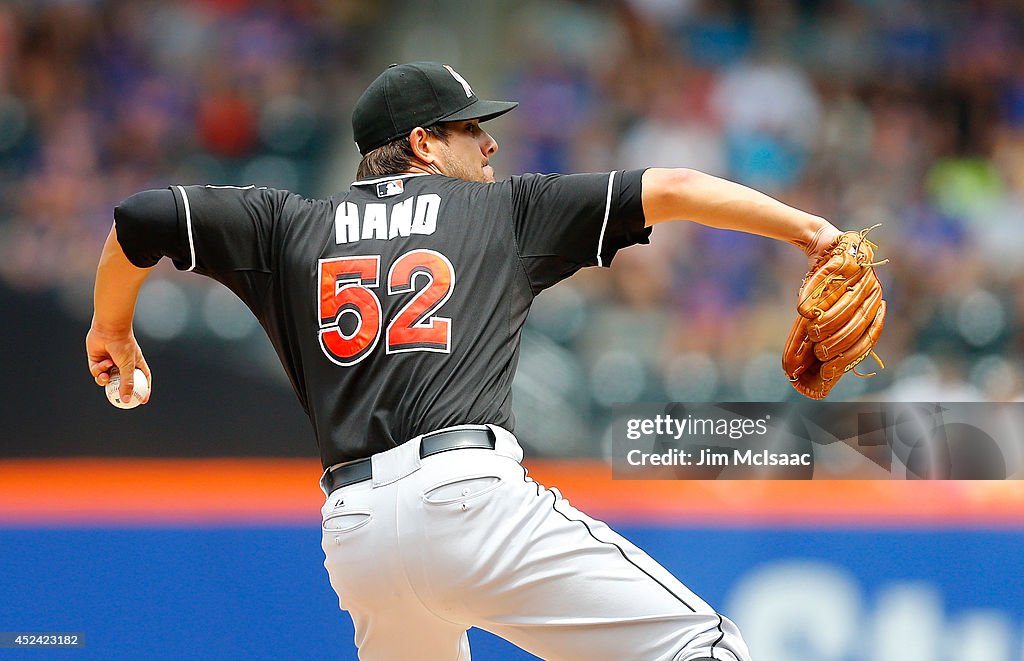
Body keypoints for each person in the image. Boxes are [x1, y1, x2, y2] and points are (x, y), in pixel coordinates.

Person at [87, 61, 840, 660]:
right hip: (469, 500)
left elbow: (141, 217)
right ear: (423, 142)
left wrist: (111, 326)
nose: (490, 145)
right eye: (471, 128)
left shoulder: (285, 225)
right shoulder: (503, 209)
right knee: (702, 647)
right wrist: (810, 231)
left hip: (355, 534)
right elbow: (672, 187)